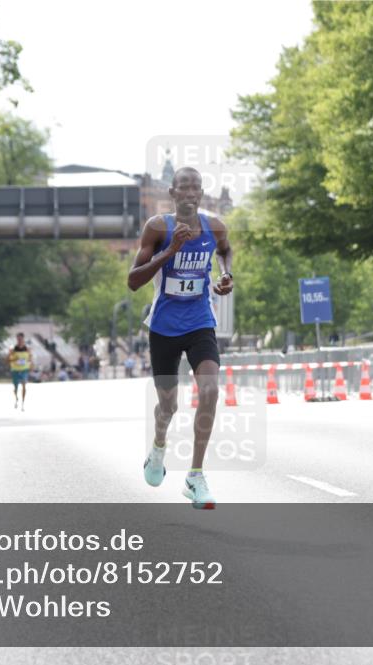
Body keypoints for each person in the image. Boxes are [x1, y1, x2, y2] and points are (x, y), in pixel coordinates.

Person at [127, 166, 233, 510]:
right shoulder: (157, 227)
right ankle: (158, 447)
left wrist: (226, 274)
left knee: (211, 390)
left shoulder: (214, 225)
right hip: (163, 327)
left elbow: (225, 250)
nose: (190, 193)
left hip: (201, 320)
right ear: (172, 194)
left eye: (196, 188)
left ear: (201, 194)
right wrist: (171, 249)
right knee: (169, 405)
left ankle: (195, 475)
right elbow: (133, 281)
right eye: (183, 187)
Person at [7, 333, 32, 410]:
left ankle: (23, 403)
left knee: (24, 385)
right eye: (18, 339)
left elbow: (30, 358)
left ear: (23, 339)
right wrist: (15, 359)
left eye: (21, 339)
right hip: (15, 369)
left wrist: (31, 365)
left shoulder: (27, 348)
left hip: (24, 369)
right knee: (16, 387)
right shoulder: (13, 349)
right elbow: (7, 359)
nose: (19, 340)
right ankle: (16, 398)